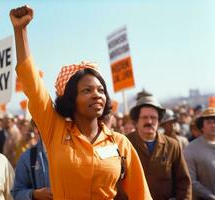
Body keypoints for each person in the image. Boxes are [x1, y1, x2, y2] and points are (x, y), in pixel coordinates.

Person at [10, 5, 152, 199]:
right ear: (71, 99)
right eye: (87, 90)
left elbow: (141, 194)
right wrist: (21, 31)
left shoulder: (120, 143)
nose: (97, 95)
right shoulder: (55, 130)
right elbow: (32, 85)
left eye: (101, 90)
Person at [127, 95, 192, 200]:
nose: (149, 122)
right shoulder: (125, 144)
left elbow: (183, 182)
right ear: (136, 121)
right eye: (144, 117)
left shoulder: (172, 145)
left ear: (159, 121)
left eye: (153, 118)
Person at [11, 120, 52, 200]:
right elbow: (16, 193)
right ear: (36, 128)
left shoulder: (73, 153)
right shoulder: (27, 157)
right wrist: (34, 194)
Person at [184, 107, 215, 199]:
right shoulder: (191, 149)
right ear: (202, 126)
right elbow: (191, 181)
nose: (213, 125)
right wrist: (211, 196)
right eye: (209, 122)